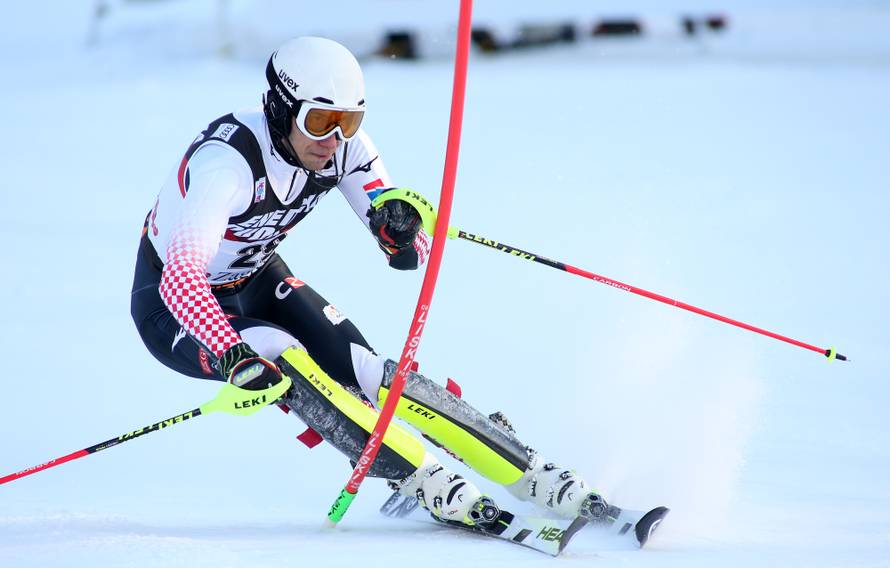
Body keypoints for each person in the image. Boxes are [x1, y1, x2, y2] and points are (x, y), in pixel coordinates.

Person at [131, 36, 609, 528]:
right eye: (319, 120)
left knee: (364, 371)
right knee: (278, 352)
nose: (332, 139)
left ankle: (527, 470)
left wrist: (399, 229)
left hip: (255, 274)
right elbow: (180, 276)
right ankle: (424, 477)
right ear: (280, 108)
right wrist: (229, 350)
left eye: (348, 121)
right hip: (174, 307)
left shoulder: (343, 149)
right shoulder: (225, 165)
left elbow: (411, 252)